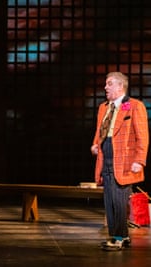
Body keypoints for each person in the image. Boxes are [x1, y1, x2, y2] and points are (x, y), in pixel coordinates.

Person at [90, 71, 149, 251]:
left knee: (119, 200)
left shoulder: (134, 106)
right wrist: (95, 145)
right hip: (106, 157)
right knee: (109, 200)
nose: (105, 87)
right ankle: (116, 236)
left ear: (120, 86)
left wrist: (139, 160)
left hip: (124, 160)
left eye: (109, 84)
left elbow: (142, 136)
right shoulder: (103, 107)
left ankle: (121, 237)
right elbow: (100, 131)